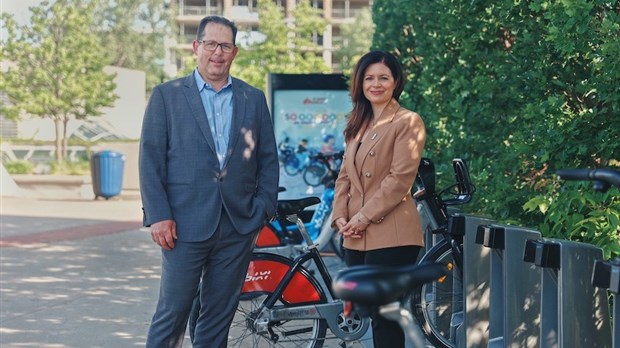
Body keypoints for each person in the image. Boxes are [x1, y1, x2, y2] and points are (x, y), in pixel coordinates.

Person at [139, 15, 279, 348]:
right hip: (183, 227)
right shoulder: (167, 96)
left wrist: (262, 210)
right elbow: (150, 160)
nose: (217, 52)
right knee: (172, 313)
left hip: (237, 226)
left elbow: (268, 160)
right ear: (196, 47)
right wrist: (158, 215)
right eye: (211, 44)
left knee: (218, 316)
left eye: (225, 46)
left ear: (235, 52)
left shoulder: (253, 98)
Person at [331, 50, 426, 348]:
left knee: (385, 317)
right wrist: (341, 218)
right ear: (360, 83)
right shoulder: (356, 124)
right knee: (369, 313)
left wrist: (361, 218)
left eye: (383, 78)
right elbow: (344, 177)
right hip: (356, 236)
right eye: (369, 78)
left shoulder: (408, 121)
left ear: (396, 82)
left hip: (393, 234)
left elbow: (399, 180)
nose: (376, 84)